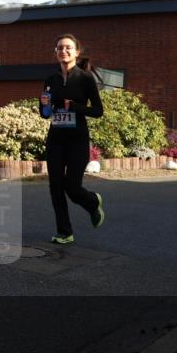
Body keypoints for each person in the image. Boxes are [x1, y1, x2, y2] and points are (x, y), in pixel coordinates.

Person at [38, 34, 105, 244]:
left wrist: (74, 107)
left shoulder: (85, 78)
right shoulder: (51, 79)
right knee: (55, 185)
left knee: (72, 187)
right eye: (59, 48)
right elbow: (45, 113)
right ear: (55, 52)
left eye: (68, 48)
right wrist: (44, 105)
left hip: (77, 139)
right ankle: (64, 232)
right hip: (56, 138)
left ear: (76, 52)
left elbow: (98, 111)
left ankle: (93, 202)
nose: (63, 51)